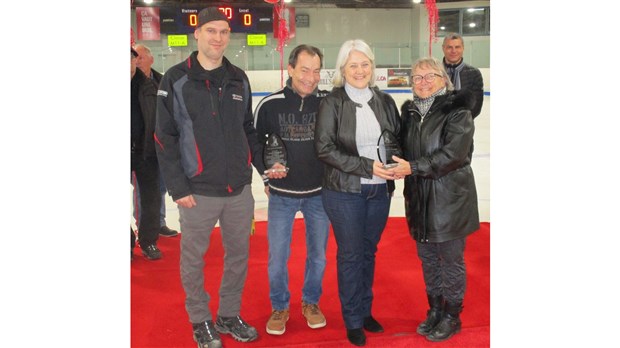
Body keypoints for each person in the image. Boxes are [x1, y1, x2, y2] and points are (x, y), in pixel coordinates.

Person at [154, 7, 261, 348]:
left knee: (239, 256)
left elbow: (248, 129)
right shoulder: (175, 79)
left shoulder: (238, 78)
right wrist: (178, 187)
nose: (218, 38)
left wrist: (263, 171)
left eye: (224, 32)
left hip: (238, 190)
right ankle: (200, 320)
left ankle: (228, 315)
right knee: (193, 259)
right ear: (197, 34)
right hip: (197, 191)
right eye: (211, 31)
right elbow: (164, 137)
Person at [314, 39, 400, 347]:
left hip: (380, 191)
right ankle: (352, 319)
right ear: (342, 70)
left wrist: (400, 163)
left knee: (368, 252)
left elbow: (396, 140)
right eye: (353, 65)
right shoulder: (332, 102)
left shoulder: (386, 101)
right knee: (351, 255)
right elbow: (324, 149)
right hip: (344, 191)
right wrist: (367, 167)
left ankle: (364, 311)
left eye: (365, 64)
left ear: (372, 68)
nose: (360, 70)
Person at [389, 56, 480, 342]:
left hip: (450, 200)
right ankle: (435, 309)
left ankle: (452, 315)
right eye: (417, 77)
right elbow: (401, 147)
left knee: (450, 261)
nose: (423, 82)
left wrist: (413, 167)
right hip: (419, 200)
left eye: (430, 76)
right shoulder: (411, 113)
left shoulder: (457, 111)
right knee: (428, 259)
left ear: (444, 79)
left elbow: (454, 155)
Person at [253, 44, 331, 336]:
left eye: (316, 71)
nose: (310, 77)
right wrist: (265, 177)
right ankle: (280, 306)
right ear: (290, 69)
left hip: (319, 194)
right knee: (277, 256)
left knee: (319, 256)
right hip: (282, 196)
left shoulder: (328, 102)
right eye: (304, 70)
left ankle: (310, 302)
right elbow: (256, 143)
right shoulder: (270, 105)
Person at [132, 43, 178, 238]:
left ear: (150, 59)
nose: (137, 61)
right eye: (135, 57)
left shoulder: (159, 82)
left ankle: (155, 226)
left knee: (155, 190)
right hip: (134, 146)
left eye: (139, 57)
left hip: (151, 148)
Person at [131, 46, 162, 261]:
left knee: (151, 199)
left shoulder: (149, 85)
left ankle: (148, 241)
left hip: (146, 151)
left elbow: (160, 118)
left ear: (135, 61)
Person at [441, 33, 484, 118]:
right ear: (443, 48)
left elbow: (476, 106)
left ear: (463, 48)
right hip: (437, 127)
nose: (454, 51)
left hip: (463, 127)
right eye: (449, 47)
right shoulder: (434, 71)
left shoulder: (474, 73)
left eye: (457, 47)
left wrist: (459, 123)